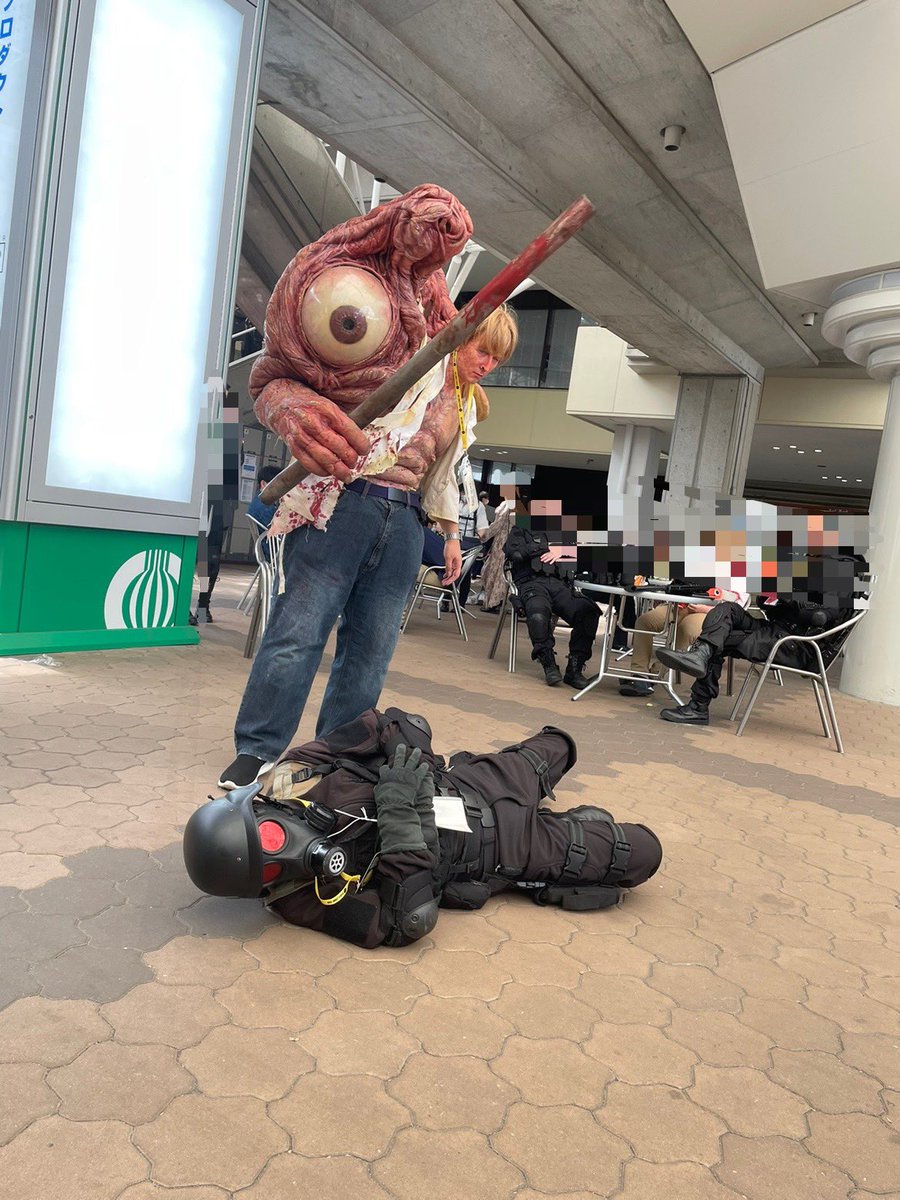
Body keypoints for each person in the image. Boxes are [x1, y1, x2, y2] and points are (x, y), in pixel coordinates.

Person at [218, 186, 517, 790]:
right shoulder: (403, 346)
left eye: (496, 358)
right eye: (482, 348)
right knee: (298, 632)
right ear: (461, 331)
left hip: (403, 520)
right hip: (343, 500)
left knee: (371, 651)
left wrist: (449, 535)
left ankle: (337, 759)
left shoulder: (462, 404)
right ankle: (257, 749)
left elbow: (443, 474)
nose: (486, 363)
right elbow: (276, 374)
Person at [184, 707, 663, 948]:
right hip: (506, 850)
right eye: (270, 866)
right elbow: (404, 923)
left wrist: (411, 763)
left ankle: (561, 814)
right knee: (645, 852)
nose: (285, 851)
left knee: (561, 743)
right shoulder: (303, 901)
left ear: (261, 806)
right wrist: (399, 819)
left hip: (477, 781)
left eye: (271, 835)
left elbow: (393, 721)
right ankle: (568, 828)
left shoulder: (300, 772)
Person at [655, 588, 855, 725]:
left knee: (719, 639)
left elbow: (822, 615)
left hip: (798, 645)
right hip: (776, 631)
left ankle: (698, 705)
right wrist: (769, 596)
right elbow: (775, 609)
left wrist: (787, 595)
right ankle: (700, 654)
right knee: (727, 609)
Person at [504, 507, 599, 689]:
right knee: (538, 613)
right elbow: (514, 554)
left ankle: (575, 668)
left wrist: (564, 551)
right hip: (531, 583)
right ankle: (548, 662)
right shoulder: (522, 527)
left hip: (561, 586)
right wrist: (545, 548)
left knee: (588, 612)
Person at [618, 602, 710, 697]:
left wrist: (707, 609)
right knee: (644, 622)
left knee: (687, 631)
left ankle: (654, 675)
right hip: (677, 604)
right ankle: (639, 675)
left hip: (707, 609)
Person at [247, 464, 282, 532]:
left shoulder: (258, 500)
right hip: (270, 537)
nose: (280, 488)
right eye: (276, 484)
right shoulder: (265, 507)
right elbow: (279, 529)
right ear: (263, 484)